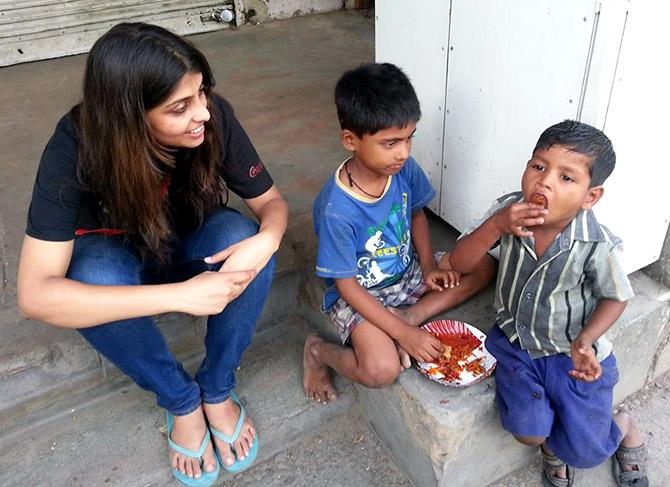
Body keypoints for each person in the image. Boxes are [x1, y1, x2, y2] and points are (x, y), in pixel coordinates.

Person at [17, 23, 288, 486]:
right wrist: (179, 297)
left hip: (187, 244)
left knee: (244, 239)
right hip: (117, 259)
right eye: (180, 107)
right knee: (96, 278)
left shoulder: (212, 116)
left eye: (202, 92)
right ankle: (180, 401)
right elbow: (36, 295)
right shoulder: (74, 147)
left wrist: (268, 238)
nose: (202, 112)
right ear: (127, 116)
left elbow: (272, 205)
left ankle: (217, 389)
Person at [450, 120, 648, 487]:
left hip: (570, 355)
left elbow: (615, 297)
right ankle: (552, 448)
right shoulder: (507, 212)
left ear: (591, 196)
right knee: (528, 432)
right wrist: (495, 226)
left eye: (566, 177)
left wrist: (586, 340)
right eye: (538, 167)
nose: (544, 182)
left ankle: (624, 426)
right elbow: (459, 264)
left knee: (587, 453)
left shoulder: (595, 244)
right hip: (516, 345)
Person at [302, 62, 495, 404]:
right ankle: (318, 353)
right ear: (351, 140)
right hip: (361, 295)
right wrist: (404, 335)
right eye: (390, 142)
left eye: (409, 138)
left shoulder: (402, 168)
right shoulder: (337, 208)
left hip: (407, 273)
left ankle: (412, 312)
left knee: (484, 266)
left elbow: (417, 213)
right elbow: (346, 286)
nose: (403, 151)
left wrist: (428, 265)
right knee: (380, 370)